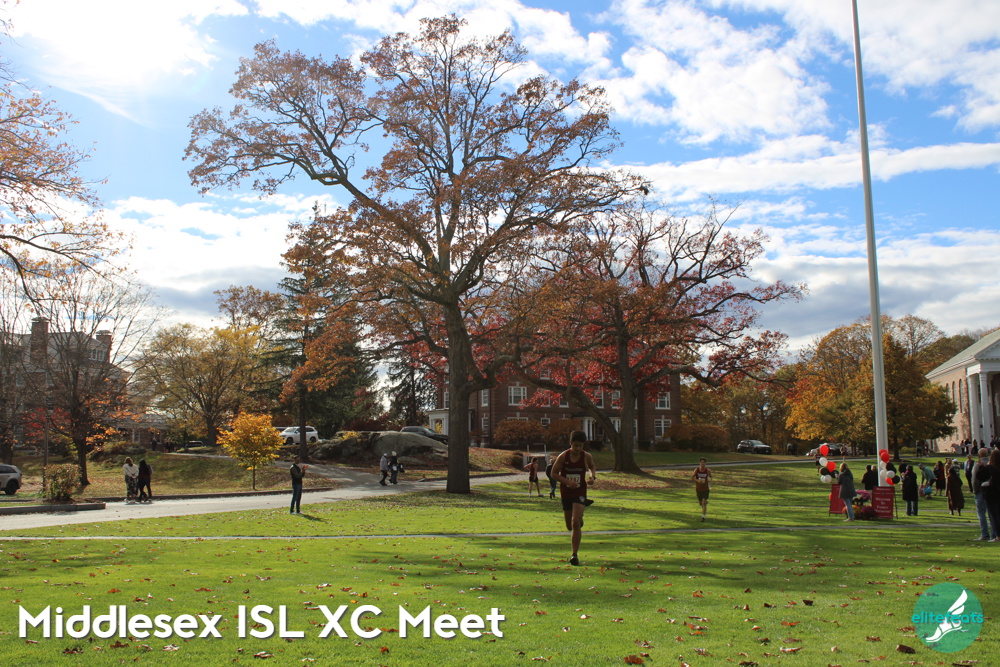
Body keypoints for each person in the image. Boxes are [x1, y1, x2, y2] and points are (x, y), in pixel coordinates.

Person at [552, 430, 597, 566]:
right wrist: (567, 482)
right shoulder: (563, 456)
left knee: (575, 522)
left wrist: (592, 477)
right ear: (570, 443)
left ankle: (574, 555)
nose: (577, 448)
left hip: (580, 492)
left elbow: (592, 467)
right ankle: (578, 520)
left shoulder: (586, 456)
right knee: (569, 526)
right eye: (575, 445)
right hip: (566, 492)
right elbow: (554, 473)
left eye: (580, 446)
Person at [971, 447, 996, 541]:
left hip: (980, 489)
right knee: (991, 513)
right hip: (991, 490)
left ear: (979, 455)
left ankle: (984, 534)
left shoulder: (978, 464)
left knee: (981, 513)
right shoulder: (992, 464)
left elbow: (974, 479)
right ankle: (994, 533)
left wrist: (975, 490)